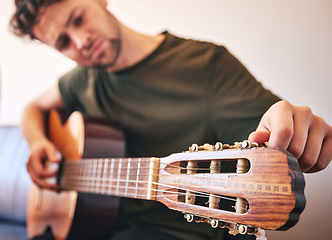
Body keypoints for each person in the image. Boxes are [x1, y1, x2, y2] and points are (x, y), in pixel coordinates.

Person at [10, 0, 332, 239]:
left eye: (78, 19)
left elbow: (273, 131)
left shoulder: (205, 66)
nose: (80, 41)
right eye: (63, 42)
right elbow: (32, 110)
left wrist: (292, 125)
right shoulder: (83, 79)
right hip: (92, 223)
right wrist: (38, 142)